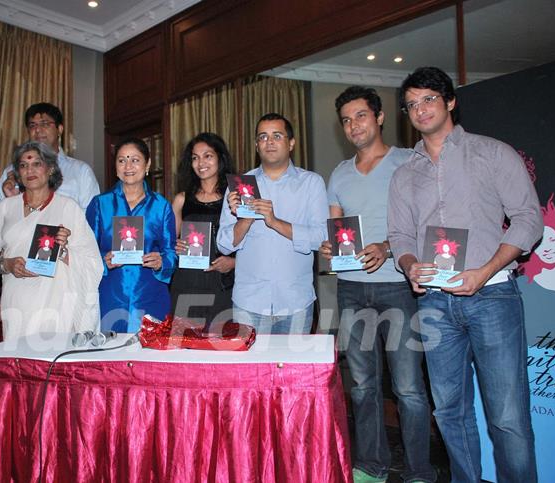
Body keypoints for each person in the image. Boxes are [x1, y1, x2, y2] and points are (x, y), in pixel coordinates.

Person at [388, 66, 542, 482]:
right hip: (434, 301)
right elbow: (400, 235)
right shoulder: (404, 174)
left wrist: (486, 269)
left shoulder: (493, 153)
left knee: (507, 417)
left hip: (491, 295)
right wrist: (409, 266)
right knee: (449, 411)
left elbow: (529, 220)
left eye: (429, 100)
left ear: (450, 101)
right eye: (412, 104)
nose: (420, 110)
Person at [321, 86, 435, 483]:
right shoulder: (339, 173)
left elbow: (427, 221)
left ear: (380, 117)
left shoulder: (409, 160)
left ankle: (420, 470)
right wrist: (330, 247)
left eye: (361, 116)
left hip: (399, 285)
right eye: (347, 120)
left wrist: (388, 247)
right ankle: (371, 464)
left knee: (407, 388)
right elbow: (336, 231)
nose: (354, 125)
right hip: (351, 288)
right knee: (363, 385)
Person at [217, 113, 328, 334]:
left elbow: (320, 237)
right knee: (250, 370)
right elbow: (224, 245)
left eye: (277, 135)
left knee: (292, 370)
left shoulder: (311, 183)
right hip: (249, 302)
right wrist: (245, 219)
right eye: (263, 137)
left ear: (291, 143)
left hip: (296, 300)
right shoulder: (239, 186)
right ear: (257, 145)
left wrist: (275, 222)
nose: (269, 142)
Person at [0, 141, 102, 340]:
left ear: (51, 168)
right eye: (23, 165)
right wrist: (7, 265)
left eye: (37, 164)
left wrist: (63, 251)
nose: (30, 170)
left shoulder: (68, 208)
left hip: (57, 303)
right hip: (17, 301)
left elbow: (92, 263)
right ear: (18, 173)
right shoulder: (5, 207)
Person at [86, 138, 177, 332]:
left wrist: (161, 261)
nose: (128, 166)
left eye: (135, 160)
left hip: (150, 295)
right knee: (111, 358)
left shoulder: (161, 206)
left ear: (148, 164)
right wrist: (103, 262)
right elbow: (85, 253)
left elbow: (170, 252)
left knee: (149, 359)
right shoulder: (99, 204)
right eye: (121, 160)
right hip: (110, 295)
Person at [170, 133, 236, 327]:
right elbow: (168, 245)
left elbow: (253, 244)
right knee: (184, 347)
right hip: (187, 282)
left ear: (220, 158)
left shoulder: (235, 198)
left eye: (207, 156)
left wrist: (233, 263)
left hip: (224, 284)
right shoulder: (182, 199)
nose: (201, 163)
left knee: (221, 349)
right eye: (195, 158)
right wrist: (176, 246)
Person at [0, 102, 99, 211]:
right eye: (32, 125)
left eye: (45, 124)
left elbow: (92, 219)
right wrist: (13, 200)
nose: (37, 130)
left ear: (59, 129)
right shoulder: (13, 171)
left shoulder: (80, 171)